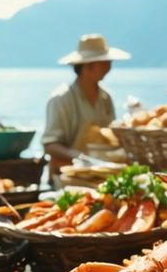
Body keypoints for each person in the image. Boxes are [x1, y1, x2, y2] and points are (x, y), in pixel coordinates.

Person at [42, 34, 131, 179]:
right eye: (104, 62)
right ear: (88, 65)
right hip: (66, 177)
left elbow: (111, 137)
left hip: (100, 176)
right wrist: (83, 159)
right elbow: (50, 145)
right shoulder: (61, 99)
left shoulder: (105, 97)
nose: (109, 67)